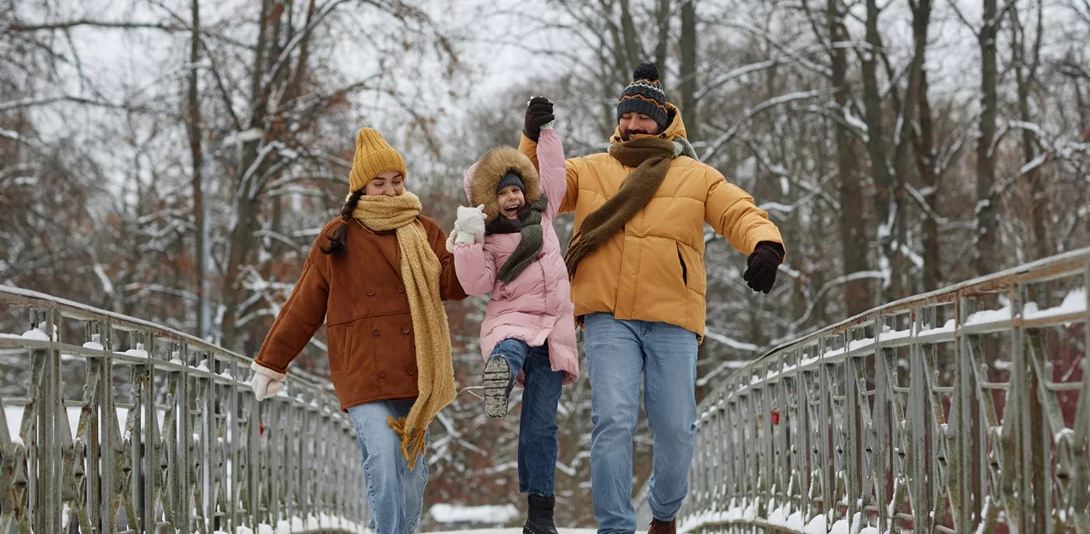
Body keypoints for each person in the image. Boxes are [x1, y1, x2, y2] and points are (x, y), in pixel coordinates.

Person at [519, 64, 786, 534]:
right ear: (618, 119)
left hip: (672, 316)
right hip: (608, 316)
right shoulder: (591, 169)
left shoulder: (696, 175)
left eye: (644, 117)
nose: (634, 124)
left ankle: (664, 513)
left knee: (677, 428)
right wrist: (530, 138)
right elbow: (533, 188)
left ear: (663, 122)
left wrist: (765, 244)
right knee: (612, 423)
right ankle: (616, 527)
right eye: (627, 116)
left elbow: (738, 210)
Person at [248, 127, 467, 534]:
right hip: (363, 372)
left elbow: (452, 286)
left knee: (412, 474)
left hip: (416, 373)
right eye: (379, 183)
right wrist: (271, 362)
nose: (389, 191)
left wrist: (468, 244)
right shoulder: (338, 236)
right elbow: (303, 306)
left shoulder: (424, 230)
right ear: (361, 187)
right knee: (383, 459)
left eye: (396, 181)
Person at [448, 98, 578, 534]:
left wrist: (544, 133)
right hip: (512, 320)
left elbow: (554, 174)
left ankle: (540, 518)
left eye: (516, 190)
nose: (511, 198)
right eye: (502, 193)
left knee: (541, 426)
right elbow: (474, 284)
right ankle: (499, 372)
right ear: (489, 200)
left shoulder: (544, 218)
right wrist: (466, 238)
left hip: (554, 332)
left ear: (526, 191)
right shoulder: (487, 240)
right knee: (509, 346)